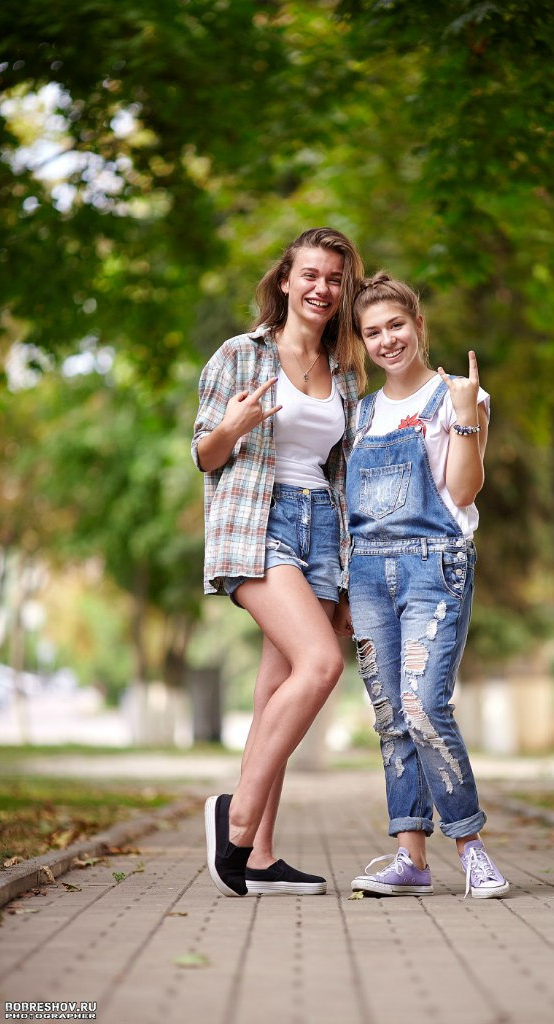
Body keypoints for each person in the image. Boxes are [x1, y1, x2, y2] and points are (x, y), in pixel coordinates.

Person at [191, 228, 364, 897]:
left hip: (322, 528)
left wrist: (346, 576)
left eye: (335, 279)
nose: (322, 288)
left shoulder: (343, 373)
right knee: (320, 666)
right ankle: (233, 816)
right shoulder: (239, 356)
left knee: (275, 697)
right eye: (311, 275)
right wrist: (232, 428)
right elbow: (204, 454)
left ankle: (259, 858)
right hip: (260, 523)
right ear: (286, 280)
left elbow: (342, 477)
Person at [345, 272, 509, 899]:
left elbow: (464, 492)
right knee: (391, 717)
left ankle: (470, 845)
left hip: (435, 565)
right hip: (367, 574)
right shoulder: (361, 413)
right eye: (373, 332)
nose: (387, 340)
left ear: (418, 325)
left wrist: (466, 418)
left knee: (423, 704)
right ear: (361, 342)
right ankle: (410, 859)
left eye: (396, 325)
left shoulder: (460, 395)